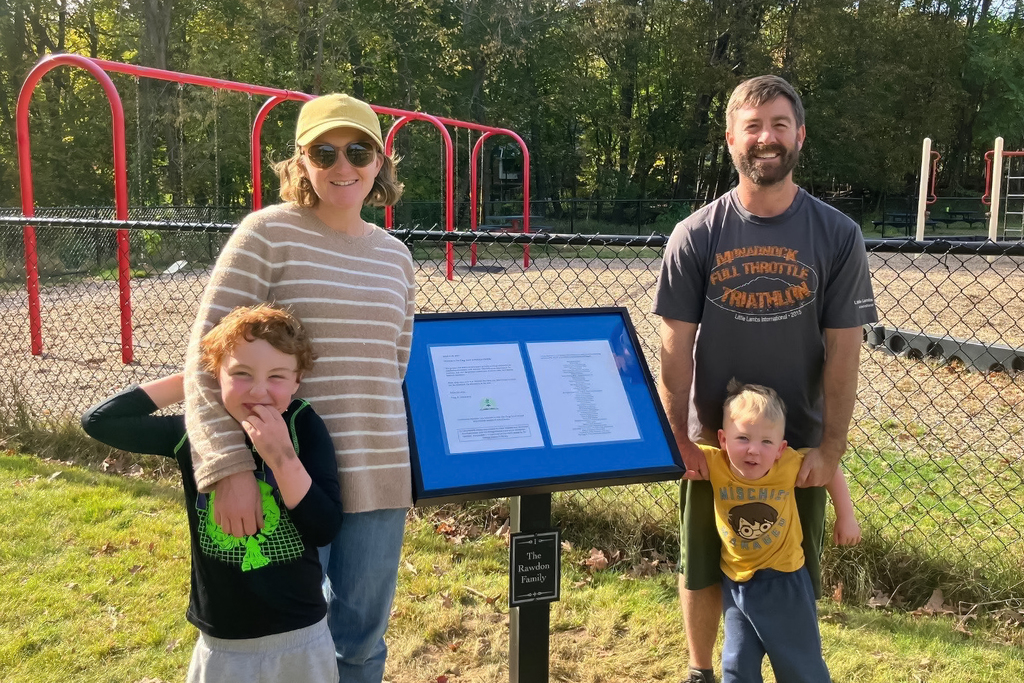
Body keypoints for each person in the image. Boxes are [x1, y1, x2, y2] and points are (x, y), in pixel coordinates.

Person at [183, 93, 415, 683]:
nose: (344, 165)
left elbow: (395, 368)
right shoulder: (266, 233)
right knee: (278, 642)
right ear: (302, 163)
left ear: (380, 162)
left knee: (360, 644)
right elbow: (208, 355)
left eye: (359, 150)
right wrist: (229, 468)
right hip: (284, 473)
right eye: (325, 151)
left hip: (376, 475)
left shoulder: (396, 257)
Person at [652, 74, 877, 683]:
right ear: (731, 139)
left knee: (791, 573)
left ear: (800, 135)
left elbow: (844, 348)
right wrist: (678, 435)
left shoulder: (837, 235)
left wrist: (830, 447)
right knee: (702, 564)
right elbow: (675, 348)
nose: (766, 138)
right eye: (753, 126)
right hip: (712, 445)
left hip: (795, 444)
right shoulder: (695, 234)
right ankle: (704, 670)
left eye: (779, 124)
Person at [82, 303, 343, 683]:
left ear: (297, 380)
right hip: (224, 638)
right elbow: (100, 420)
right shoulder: (195, 433)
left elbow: (325, 528)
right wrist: (193, 378)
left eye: (277, 376)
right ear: (214, 374)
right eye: (240, 373)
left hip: (300, 632)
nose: (258, 390)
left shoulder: (303, 424)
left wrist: (282, 457)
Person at [704, 380, 859, 683]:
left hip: (783, 579)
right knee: (736, 664)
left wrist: (846, 516)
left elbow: (831, 471)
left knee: (798, 663)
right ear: (723, 439)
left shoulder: (786, 466)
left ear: (780, 448)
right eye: (743, 438)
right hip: (735, 581)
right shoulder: (714, 463)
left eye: (765, 442)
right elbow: (675, 456)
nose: (753, 449)